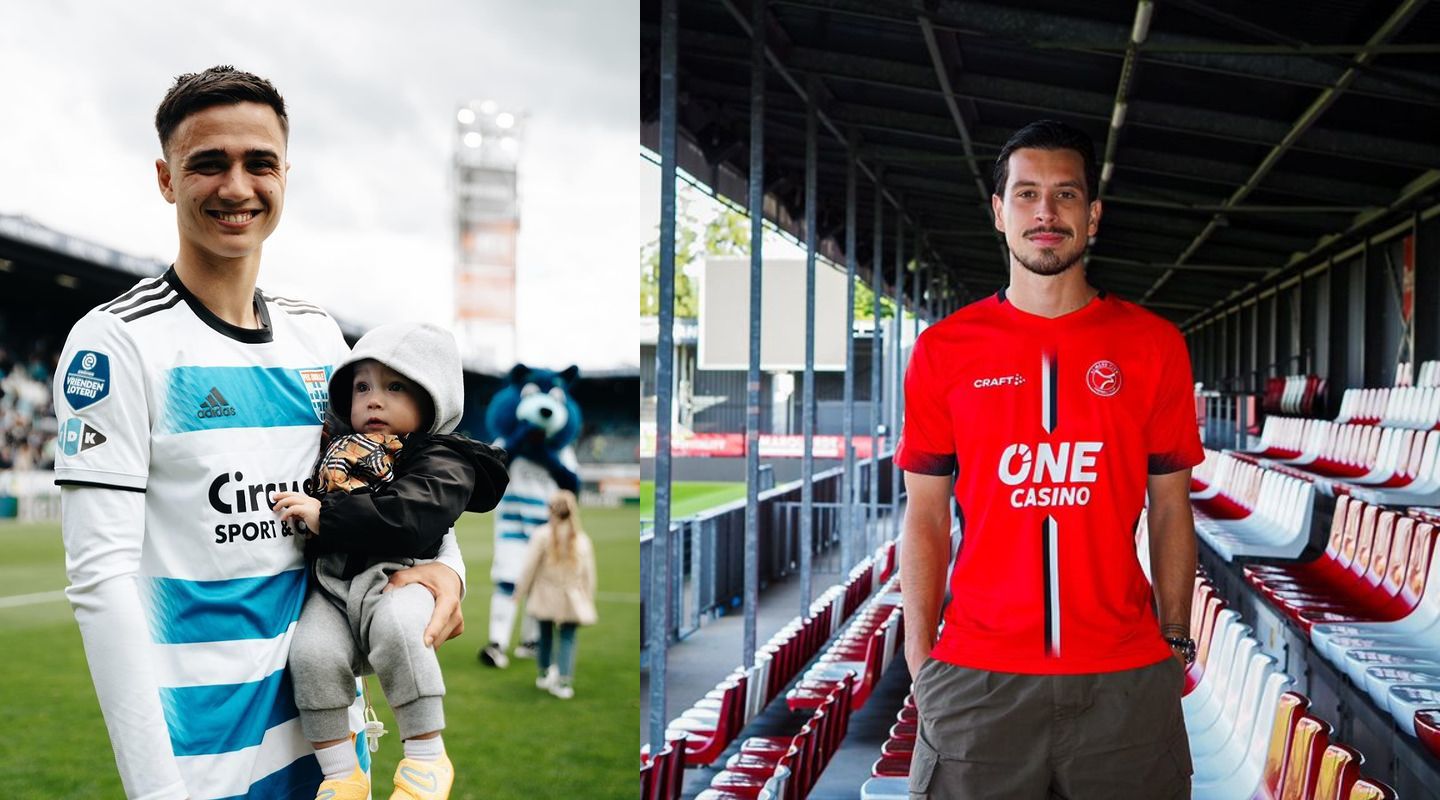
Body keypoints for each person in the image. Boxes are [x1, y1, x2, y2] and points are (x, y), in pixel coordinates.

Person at [52, 66, 467, 800]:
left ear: (285, 175)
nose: (237, 187)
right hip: (204, 756)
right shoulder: (117, 344)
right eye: (208, 163)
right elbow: (100, 582)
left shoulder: (316, 337)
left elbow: (391, 464)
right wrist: (156, 789)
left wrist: (447, 566)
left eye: (259, 163)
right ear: (166, 179)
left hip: (333, 745)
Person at [896, 119, 1204, 799]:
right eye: (1027, 193)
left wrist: (1174, 641)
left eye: (1066, 196)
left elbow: (1171, 507)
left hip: (1124, 683)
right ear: (999, 212)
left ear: (1092, 218)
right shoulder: (944, 351)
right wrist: (922, 658)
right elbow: (925, 515)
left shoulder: (1153, 347)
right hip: (978, 681)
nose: (1046, 212)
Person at [273, 322, 508, 799]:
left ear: (432, 399)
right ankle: (342, 775)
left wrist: (326, 515)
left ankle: (426, 758)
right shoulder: (337, 448)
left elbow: (411, 517)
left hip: (396, 577)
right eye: (362, 387)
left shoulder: (445, 458)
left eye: (395, 386)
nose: (374, 400)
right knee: (311, 654)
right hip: (332, 583)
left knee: (404, 629)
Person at [513, 489, 597, 699]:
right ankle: (564, 681)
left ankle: (544, 674)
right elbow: (589, 574)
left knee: (545, 633)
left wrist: (520, 591)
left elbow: (529, 567)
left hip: (545, 594)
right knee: (568, 637)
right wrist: (587, 597)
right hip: (572, 597)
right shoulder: (581, 538)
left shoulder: (542, 534)